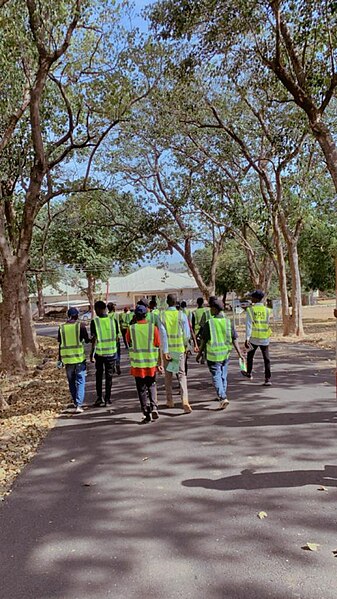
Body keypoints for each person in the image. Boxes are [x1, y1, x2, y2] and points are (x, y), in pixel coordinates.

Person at [196, 299, 244, 410]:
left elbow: (203, 341)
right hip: (225, 355)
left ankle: (222, 397)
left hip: (213, 356)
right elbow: (234, 339)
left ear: (215, 309)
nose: (210, 310)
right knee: (223, 376)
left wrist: (199, 354)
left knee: (216, 375)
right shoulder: (228, 322)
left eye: (211, 308)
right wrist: (239, 353)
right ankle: (222, 394)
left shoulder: (210, 323)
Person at [126, 304, 163, 423]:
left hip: (138, 365)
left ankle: (146, 412)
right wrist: (160, 363)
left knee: (141, 389)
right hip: (151, 364)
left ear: (135, 316)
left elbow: (128, 342)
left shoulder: (131, 329)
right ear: (146, 315)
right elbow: (158, 345)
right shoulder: (153, 328)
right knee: (152, 385)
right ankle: (154, 406)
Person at [158, 293, 192, 414]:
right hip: (179, 350)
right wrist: (186, 347)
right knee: (182, 375)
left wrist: (165, 351)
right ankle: (185, 401)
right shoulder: (181, 315)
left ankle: (170, 400)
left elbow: (163, 336)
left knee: (168, 376)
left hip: (169, 352)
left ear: (167, 302)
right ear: (176, 302)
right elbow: (187, 335)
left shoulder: (162, 316)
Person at [58, 307, 90, 413]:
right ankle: (79, 405)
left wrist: (59, 359)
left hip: (67, 360)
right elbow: (87, 340)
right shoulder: (80, 326)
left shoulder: (61, 328)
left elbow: (60, 344)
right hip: (79, 359)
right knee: (80, 381)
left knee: (71, 382)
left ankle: (76, 402)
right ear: (76, 316)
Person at [90, 300, 119, 407]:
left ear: (98, 309)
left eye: (95, 310)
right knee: (109, 377)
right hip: (111, 353)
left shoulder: (94, 322)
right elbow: (117, 338)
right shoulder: (113, 321)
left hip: (100, 354)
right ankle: (107, 399)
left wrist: (91, 354)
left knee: (99, 376)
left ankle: (99, 397)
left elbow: (94, 340)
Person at [243, 289, 272, 386]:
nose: (251, 298)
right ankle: (267, 379)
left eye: (252, 297)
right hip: (264, 338)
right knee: (266, 359)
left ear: (256, 298)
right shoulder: (267, 310)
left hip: (253, 338)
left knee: (250, 356)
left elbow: (249, 325)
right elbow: (267, 323)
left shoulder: (250, 310)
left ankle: (249, 372)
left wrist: (247, 338)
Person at [107, 302, 121, 375]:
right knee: (117, 352)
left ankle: (112, 367)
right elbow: (119, 325)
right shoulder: (116, 315)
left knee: (112, 352)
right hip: (116, 335)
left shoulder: (106, 316)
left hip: (109, 336)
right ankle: (117, 364)